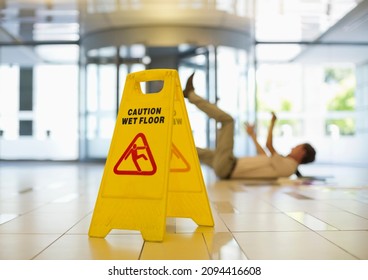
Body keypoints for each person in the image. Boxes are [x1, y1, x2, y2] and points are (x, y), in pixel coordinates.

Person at [183, 72, 316, 180]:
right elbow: (264, 154)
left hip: (227, 167)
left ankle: (190, 95)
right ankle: (169, 146)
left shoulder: (289, 167)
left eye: (297, 147)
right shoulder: (285, 164)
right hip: (227, 165)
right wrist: (252, 135)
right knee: (194, 151)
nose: (293, 147)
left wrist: (272, 123)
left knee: (228, 121)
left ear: (302, 153)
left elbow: (269, 146)